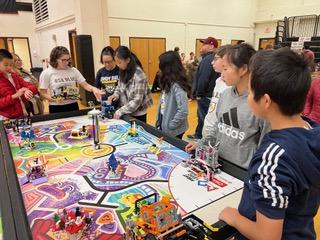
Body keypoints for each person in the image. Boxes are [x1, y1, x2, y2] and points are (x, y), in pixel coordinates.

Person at [219, 48, 320, 240]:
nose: (248, 95)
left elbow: (268, 237)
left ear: (265, 101)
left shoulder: (273, 158)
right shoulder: (312, 131)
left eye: (251, 90)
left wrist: (235, 218)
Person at [186, 43, 268, 169]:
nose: (221, 74)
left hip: (243, 171)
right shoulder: (225, 94)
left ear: (243, 69)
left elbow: (265, 147)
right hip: (219, 164)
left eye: (225, 69)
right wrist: (201, 143)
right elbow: (217, 128)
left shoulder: (261, 103)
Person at [39, 46, 104, 114]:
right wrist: (54, 99)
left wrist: (94, 89)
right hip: (56, 107)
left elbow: (85, 85)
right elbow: (42, 93)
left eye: (68, 59)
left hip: (73, 105)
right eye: (63, 60)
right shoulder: (47, 73)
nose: (66, 62)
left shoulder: (73, 70)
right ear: (55, 59)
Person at [108, 46, 153, 123]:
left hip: (138, 114)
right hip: (126, 110)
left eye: (119, 62)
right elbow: (119, 87)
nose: (117, 65)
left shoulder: (139, 75)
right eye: (116, 62)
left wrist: (121, 111)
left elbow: (137, 100)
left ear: (128, 60)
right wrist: (115, 94)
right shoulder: (123, 70)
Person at [188, 36, 220, 139]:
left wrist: (199, 94)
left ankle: (202, 139)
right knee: (201, 117)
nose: (201, 46)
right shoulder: (209, 58)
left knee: (204, 118)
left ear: (211, 46)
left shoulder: (207, 60)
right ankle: (198, 134)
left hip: (205, 95)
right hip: (208, 94)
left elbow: (203, 78)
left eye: (204, 44)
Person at [156, 51, 189, 139]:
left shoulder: (177, 85)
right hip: (165, 121)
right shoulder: (167, 81)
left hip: (173, 128)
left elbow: (183, 110)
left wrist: (171, 125)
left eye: (160, 62)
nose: (158, 64)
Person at [202, 45, 231, 138]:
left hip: (218, 134)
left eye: (216, 59)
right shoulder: (218, 81)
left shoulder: (230, 85)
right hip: (208, 127)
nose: (212, 62)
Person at [0, 49, 38, 119]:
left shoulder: (14, 75)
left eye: (11, 65)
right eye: (6, 65)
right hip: (6, 117)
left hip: (21, 114)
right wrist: (14, 96)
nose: (9, 67)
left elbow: (33, 87)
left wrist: (27, 90)